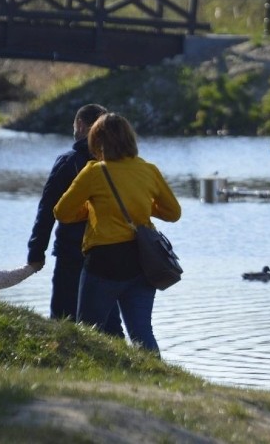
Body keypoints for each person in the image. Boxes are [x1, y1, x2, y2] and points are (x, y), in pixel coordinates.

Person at [53, 113, 181, 354]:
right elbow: (173, 212)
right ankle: (156, 381)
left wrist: (92, 208)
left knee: (88, 331)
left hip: (103, 262)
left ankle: (90, 379)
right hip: (141, 261)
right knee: (141, 331)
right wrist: (141, 207)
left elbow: (62, 212)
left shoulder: (93, 172)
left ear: (97, 142)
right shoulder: (148, 170)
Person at [26, 104, 123, 336]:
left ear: (80, 126)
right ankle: (123, 365)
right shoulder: (119, 165)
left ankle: (62, 364)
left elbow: (47, 209)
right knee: (109, 321)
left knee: (63, 317)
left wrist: (36, 251)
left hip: (72, 251)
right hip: (109, 252)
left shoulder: (69, 162)